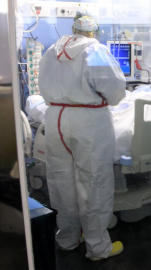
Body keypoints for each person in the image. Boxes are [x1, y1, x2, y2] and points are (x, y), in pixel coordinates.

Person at [38, 8, 126, 261]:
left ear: (73, 30)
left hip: (55, 118)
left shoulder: (51, 51)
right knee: (94, 181)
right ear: (93, 30)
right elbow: (115, 89)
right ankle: (98, 247)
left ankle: (67, 238)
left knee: (61, 179)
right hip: (88, 122)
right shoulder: (95, 50)